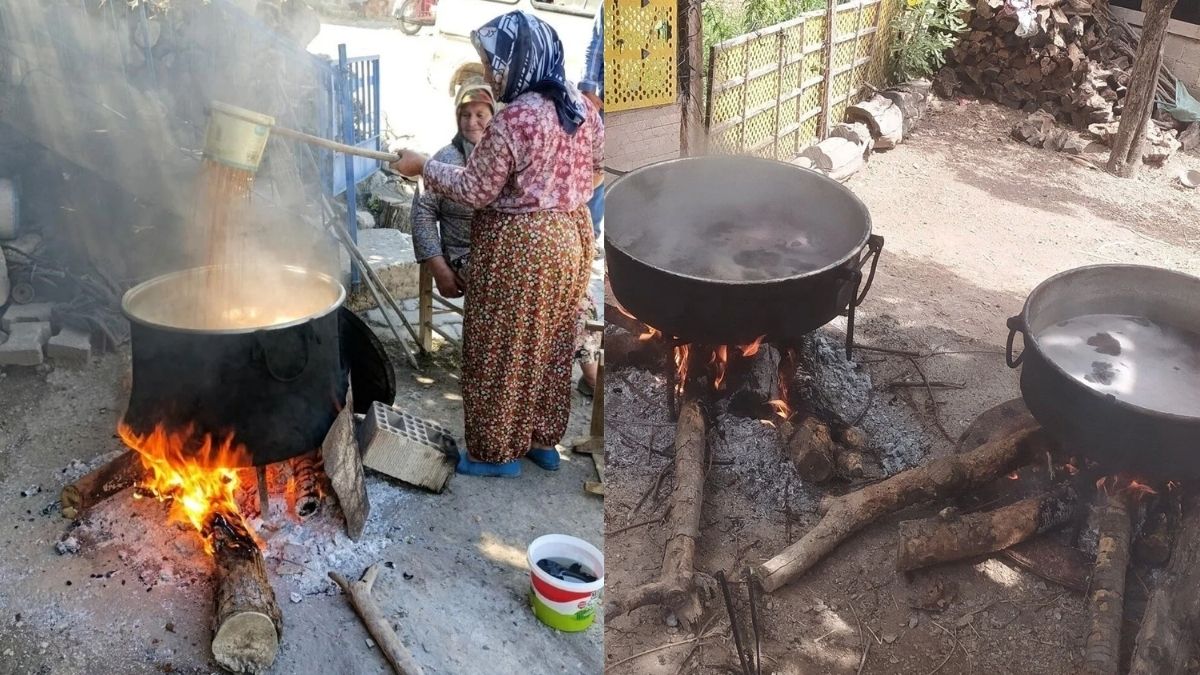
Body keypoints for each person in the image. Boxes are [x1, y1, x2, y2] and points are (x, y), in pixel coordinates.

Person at [390, 11, 603, 478]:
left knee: (498, 347)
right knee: (550, 342)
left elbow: (474, 190)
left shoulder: (516, 119)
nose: (490, 73)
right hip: (571, 237)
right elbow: (597, 170)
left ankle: (496, 453)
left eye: (494, 62)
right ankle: (542, 442)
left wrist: (422, 165)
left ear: (519, 59)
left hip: (518, 247)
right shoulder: (583, 107)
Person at [409, 79, 496, 298]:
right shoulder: (445, 159)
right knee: (500, 286)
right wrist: (439, 269)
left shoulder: (502, 155)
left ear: (494, 117)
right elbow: (422, 212)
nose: (472, 122)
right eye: (465, 115)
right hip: (463, 254)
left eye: (480, 114)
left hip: (499, 252)